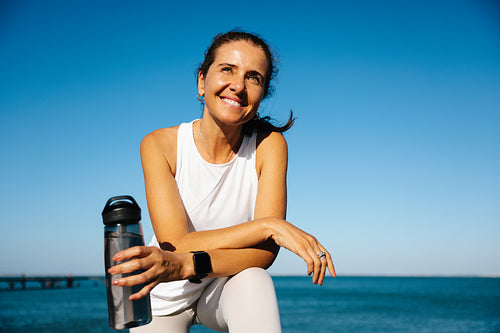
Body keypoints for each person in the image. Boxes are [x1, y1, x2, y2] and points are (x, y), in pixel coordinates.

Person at [108, 30, 336, 333]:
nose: (238, 86)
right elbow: (174, 243)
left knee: (254, 280)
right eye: (227, 69)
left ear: (263, 94)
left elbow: (263, 254)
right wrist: (269, 226)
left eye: (254, 78)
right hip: (165, 292)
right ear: (202, 81)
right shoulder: (160, 144)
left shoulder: (270, 145)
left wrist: (191, 264)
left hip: (223, 286)